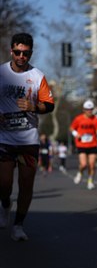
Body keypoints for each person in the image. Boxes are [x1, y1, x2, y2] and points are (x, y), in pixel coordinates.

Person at [0, 32, 54, 241]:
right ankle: (5, 204)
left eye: (26, 53)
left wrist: (34, 106)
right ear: (11, 51)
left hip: (28, 140)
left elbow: (49, 104)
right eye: (17, 52)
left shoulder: (37, 76)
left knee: (26, 184)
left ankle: (18, 225)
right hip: (4, 138)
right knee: (4, 184)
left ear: (31, 53)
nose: (21, 56)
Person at [70, 99, 97, 190]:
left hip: (92, 144)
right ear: (83, 110)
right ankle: (80, 173)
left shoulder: (95, 119)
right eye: (87, 109)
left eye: (91, 109)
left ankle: (90, 181)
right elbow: (71, 128)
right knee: (83, 164)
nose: (89, 111)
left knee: (92, 164)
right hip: (81, 144)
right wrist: (76, 134)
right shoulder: (78, 119)